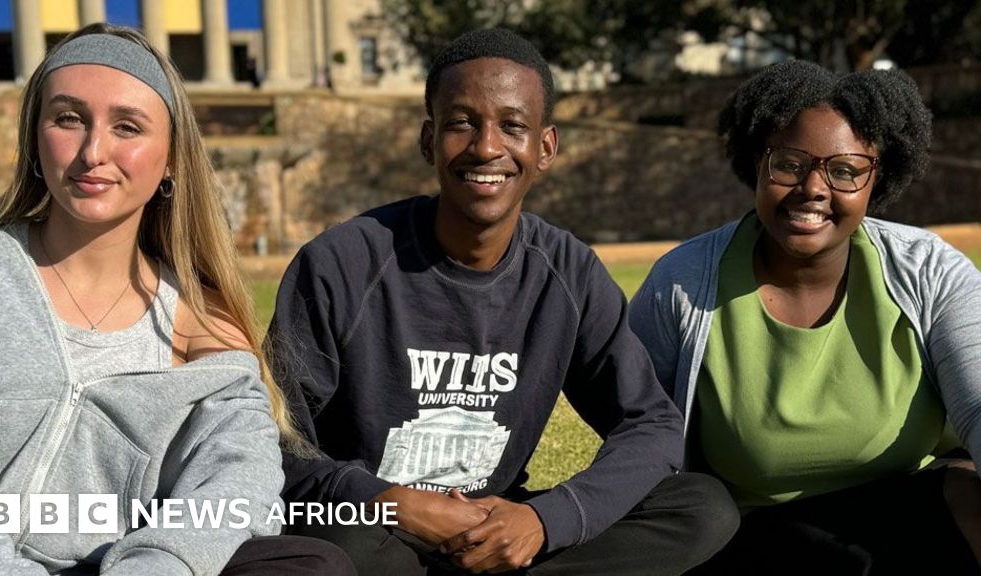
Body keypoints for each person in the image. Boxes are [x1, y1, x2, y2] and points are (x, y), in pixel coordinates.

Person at [269, 28, 737, 575]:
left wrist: (545, 520)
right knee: (340, 544)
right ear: (428, 139)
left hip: (502, 538)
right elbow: (274, 442)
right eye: (461, 123)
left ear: (545, 148)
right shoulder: (341, 263)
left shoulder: (567, 272)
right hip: (381, 537)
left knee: (701, 508)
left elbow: (651, 425)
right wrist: (390, 502)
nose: (487, 147)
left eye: (512, 126)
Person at [0, 24, 353, 575]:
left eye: (127, 127)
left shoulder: (202, 325)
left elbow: (236, 488)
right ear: (34, 138)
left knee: (311, 563)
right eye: (68, 118)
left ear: (171, 159)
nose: (93, 152)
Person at [628, 60, 981, 574]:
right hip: (748, 540)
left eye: (845, 170)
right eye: (790, 163)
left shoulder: (927, 270)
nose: (814, 188)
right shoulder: (681, 283)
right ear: (758, 162)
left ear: (876, 178)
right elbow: (634, 430)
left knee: (967, 490)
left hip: (896, 518)